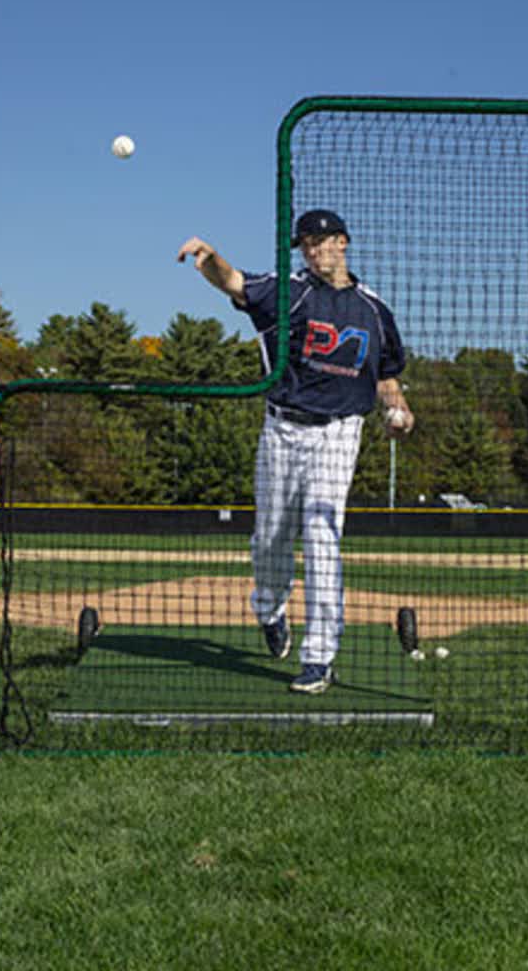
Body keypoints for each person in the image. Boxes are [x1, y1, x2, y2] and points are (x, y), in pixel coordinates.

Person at [177, 209, 414, 694]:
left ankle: (319, 657)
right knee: (270, 539)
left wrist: (399, 410)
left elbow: (386, 376)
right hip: (283, 430)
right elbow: (237, 284)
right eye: (305, 243)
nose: (313, 249)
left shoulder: (373, 309)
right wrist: (210, 258)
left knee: (323, 540)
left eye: (322, 240)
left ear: (343, 242)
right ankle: (270, 608)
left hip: (339, 434)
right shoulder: (291, 291)